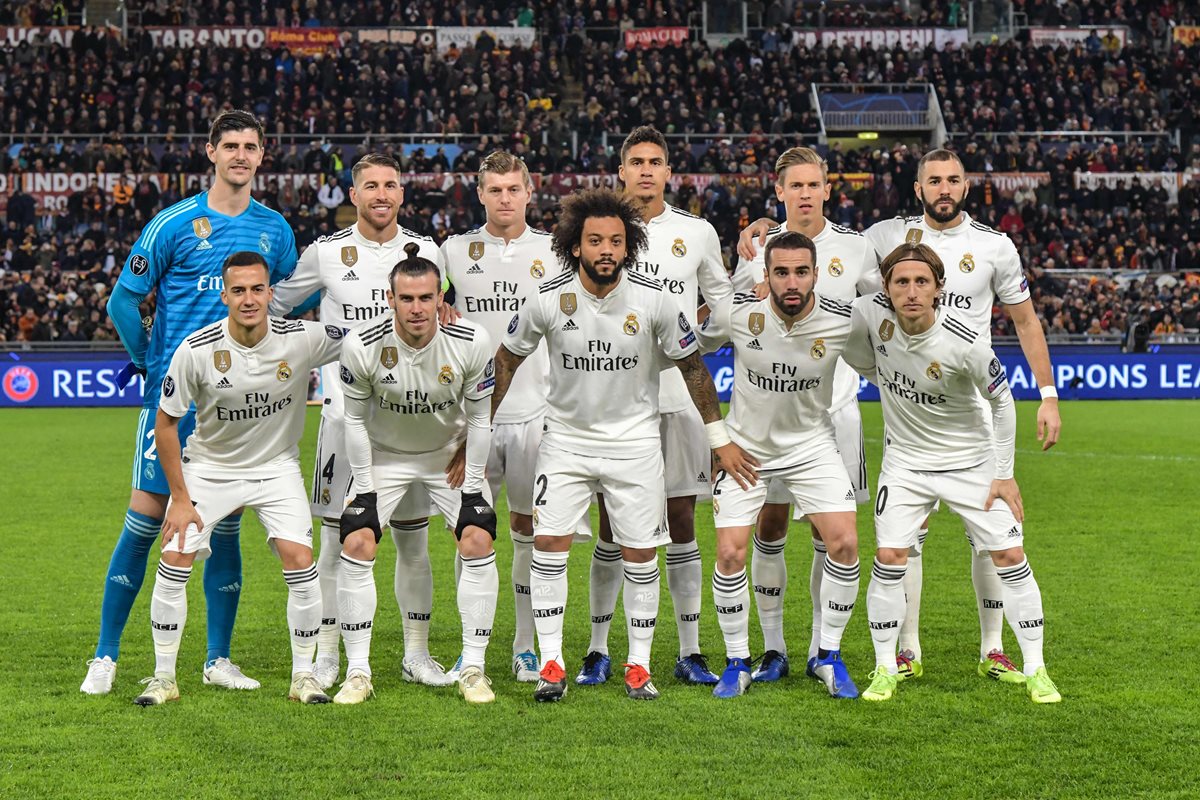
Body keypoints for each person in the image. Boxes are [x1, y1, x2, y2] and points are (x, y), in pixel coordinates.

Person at [740, 148, 1061, 683]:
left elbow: (1026, 321)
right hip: (907, 410)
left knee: (989, 538)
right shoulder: (884, 238)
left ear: (966, 185)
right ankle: (906, 650)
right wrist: (767, 225)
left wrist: (1047, 393)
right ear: (917, 188)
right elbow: (814, 237)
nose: (943, 188)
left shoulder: (994, 246)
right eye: (933, 179)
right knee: (904, 540)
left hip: (973, 407)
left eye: (952, 180)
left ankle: (992, 647)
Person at [493, 188, 755, 702]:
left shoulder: (654, 299)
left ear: (629, 245)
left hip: (635, 445)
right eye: (596, 241)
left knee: (639, 553)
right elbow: (507, 358)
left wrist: (718, 439)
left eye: (616, 240)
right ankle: (551, 664)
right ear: (575, 246)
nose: (607, 249)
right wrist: (480, 427)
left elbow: (693, 368)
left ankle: (637, 665)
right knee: (549, 545)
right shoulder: (547, 298)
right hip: (565, 443)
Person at [82, 110, 298, 696]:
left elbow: (285, 311)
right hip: (176, 402)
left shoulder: (275, 231)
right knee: (147, 520)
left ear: (262, 154)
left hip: (238, 404)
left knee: (223, 528)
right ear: (210, 152)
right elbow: (123, 303)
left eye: (250, 146)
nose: (240, 156)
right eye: (230, 145)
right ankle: (105, 656)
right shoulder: (173, 224)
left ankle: (217, 659)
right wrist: (149, 364)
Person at [842, 243, 1060, 704]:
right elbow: (830, 318)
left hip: (971, 463)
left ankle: (1037, 668)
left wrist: (1003, 474)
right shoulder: (870, 317)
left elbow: (1002, 401)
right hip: (905, 464)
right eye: (902, 282)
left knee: (1010, 556)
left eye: (922, 282)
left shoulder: (965, 341)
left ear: (939, 288)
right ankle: (886, 667)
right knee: (890, 558)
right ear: (887, 288)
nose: (912, 291)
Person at [269, 153, 449, 690]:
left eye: (390, 185)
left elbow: (448, 314)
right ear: (354, 195)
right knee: (333, 540)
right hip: (344, 418)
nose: (381, 195)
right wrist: (316, 348)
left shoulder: (428, 251)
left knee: (414, 542)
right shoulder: (326, 254)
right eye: (370, 185)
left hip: (414, 421)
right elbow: (277, 306)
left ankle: (416, 655)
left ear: (401, 193)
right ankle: (327, 656)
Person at [132, 251, 343, 706]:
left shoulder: (302, 338)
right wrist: (181, 499)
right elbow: (165, 425)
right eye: (240, 290)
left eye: (258, 289)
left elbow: (367, 335)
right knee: (174, 556)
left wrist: (431, 311)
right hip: (210, 468)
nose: (250, 299)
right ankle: (163, 677)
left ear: (271, 293)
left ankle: (304, 676)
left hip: (276, 468)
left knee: (299, 561)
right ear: (224, 294)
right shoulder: (197, 349)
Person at [577, 126, 733, 688]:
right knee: (612, 526)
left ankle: (688, 650)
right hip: (612, 400)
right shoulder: (597, 231)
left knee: (684, 520)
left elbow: (723, 306)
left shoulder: (695, 233)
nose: (646, 170)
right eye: (636, 161)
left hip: (680, 396)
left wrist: (697, 341)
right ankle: (598, 648)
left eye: (656, 162)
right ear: (621, 171)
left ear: (670, 172)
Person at [730, 147, 880, 684]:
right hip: (770, 420)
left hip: (834, 412)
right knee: (768, 527)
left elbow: (877, 315)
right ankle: (773, 648)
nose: (806, 194)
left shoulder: (857, 248)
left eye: (814, 185)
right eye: (796, 186)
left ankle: (823, 647)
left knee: (831, 536)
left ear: (827, 189)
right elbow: (739, 313)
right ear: (780, 192)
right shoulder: (757, 249)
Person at [334, 243, 499, 705]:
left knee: (478, 537)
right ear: (390, 299)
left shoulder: (471, 340)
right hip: (385, 455)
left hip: (444, 457)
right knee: (357, 539)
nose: (417, 308)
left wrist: (472, 489)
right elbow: (353, 420)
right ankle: (358, 671)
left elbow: (482, 420)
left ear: (440, 296)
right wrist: (364, 488)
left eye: (426, 297)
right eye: (406, 298)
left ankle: (472, 667)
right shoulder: (362, 344)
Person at [698, 231, 861, 699]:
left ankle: (826, 655)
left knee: (845, 543)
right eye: (781, 272)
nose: (792, 282)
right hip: (746, 450)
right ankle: (736, 661)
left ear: (816, 274)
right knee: (730, 553)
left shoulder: (841, 322)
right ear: (765, 276)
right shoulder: (739, 313)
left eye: (801, 272)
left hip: (812, 447)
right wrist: (719, 438)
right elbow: (686, 351)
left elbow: (891, 358)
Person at [441, 150, 565, 683]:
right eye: (495, 189)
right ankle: (471, 650)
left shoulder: (556, 251)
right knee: (468, 529)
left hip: (536, 413)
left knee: (527, 529)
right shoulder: (453, 250)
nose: (505, 198)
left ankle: (523, 644)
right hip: (471, 417)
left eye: (513, 189)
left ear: (529, 192)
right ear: (480, 193)